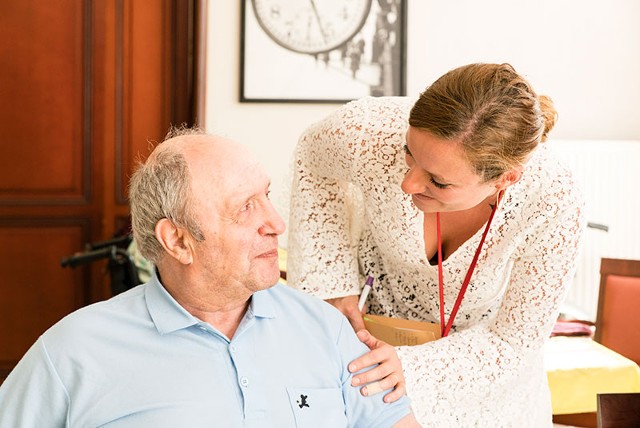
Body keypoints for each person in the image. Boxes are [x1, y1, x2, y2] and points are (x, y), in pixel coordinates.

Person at [0, 128, 420, 427]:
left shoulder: (327, 330)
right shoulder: (72, 353)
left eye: (267, 197)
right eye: (245, 207)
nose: (276, 223)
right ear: (179, 241)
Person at [287, 63, 586, 426]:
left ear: (504, 179)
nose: (408, 185)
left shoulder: (553, 198)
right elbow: (313, 159)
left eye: (439, 182)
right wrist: (331, 284)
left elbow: (513, 343)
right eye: (408, 153)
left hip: (486, 388)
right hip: (368, 361)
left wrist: (409, 365)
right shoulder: (369, 131)